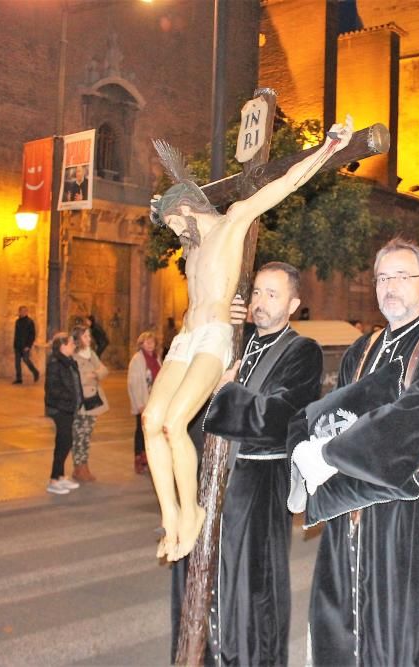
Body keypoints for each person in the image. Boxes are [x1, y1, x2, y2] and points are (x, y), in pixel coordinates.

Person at [143, 115, 353, 562]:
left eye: (174, 223)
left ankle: (192, 515)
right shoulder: (192, 246)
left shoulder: (231, 222)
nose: (176, 235)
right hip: (185, 336)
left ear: (185, 208)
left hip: (212, 337)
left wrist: (328, 148)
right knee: (150, 422)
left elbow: (285, 185)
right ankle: (171, 517)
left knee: (175, 422)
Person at [287, 239, 419, 665]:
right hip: (348, 509)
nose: (390, 287)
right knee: (343, 623)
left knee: (406, 627)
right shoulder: (362, 348)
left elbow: (416, 421)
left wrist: (328, 455)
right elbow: (336, 414)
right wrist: (307, 442)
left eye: (402, 277)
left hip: (408, 516)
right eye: (382, 278)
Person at [171, 262, 324, 665]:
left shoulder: (301, 352)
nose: (260, 301)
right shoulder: (238, 342)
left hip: (256, 493)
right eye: (257, 292)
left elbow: (279, 418)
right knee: (202, 580)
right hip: (212, 482)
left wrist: (222, 392)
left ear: (293, 303)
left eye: (272, 294)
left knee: (249, 590)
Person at [44, 332, 82, 495]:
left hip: (69, 407)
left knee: (66, 442)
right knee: (63, 442)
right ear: (63, 346)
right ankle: (53, 479)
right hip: (60, 408)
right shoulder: (55, 363)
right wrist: (70, 397)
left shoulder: (69, 362)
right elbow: (53, 388)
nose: (74, 345)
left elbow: (75, 383)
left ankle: (60, 475)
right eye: (72, 343)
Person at [71, 324, 108, 483]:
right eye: (85, 336)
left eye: (89, 336)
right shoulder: (74, 356)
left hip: (93, 400)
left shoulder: (91, 354)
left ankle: (82, 466)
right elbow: (76, 377)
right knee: (79, 435)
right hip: (81, 401)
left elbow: (104, 370)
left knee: (86, 434)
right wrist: (90, 375)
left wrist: (94, 373)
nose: (89, 339)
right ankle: (79, 467)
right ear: (78, 338)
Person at [128, 331, 160, 475]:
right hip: (144, 401)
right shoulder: (137, 359)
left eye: (152, 342)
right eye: (147, 342)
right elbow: (134, 383)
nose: (150, 344)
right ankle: (138, 459)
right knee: (141, 431)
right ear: (141, 344)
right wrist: (139, 403)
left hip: (155, 400)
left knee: (152, 430)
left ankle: (149, 457)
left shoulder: (157, 358)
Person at [12, 306, 39, 384]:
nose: (23, 312)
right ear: (19, 312)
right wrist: (15, 344)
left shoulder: (30, 322)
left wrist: (28, 346)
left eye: (24, 311)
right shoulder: (17, 321)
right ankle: (19, 379)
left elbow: (32, 335)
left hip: (25, 346)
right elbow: (16, 334)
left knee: (26, 360)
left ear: (27, 312)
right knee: (17, 363)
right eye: (21, 311)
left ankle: (35, 372)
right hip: (17, 345)